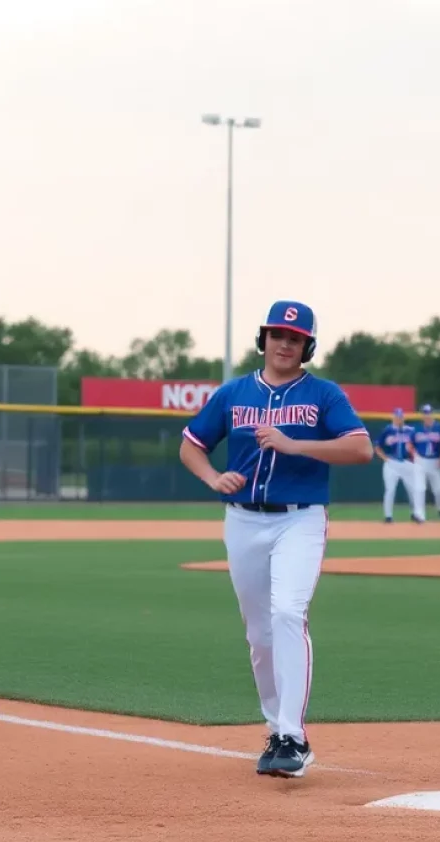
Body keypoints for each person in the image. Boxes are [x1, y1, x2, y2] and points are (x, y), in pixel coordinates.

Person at [178, 301, 373, 778]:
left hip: (299, 519)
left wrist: (296, 443)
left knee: (288, 612)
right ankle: (276, 729)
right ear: (263, 339)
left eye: (295, 337)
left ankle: (294, 735)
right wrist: (211, 477)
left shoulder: (324, 395)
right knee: (259, 633)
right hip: (242, 520)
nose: (285, 344)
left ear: (308, 346)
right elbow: (191, 445)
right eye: (277, 335)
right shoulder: (234, 393)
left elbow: (361, 448)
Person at [374, 408, 420, 524]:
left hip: (407, 463)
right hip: (392, 462)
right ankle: (388, 516)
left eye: (400, 417)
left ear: (403, 418)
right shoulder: (387, 430)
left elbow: (417, 446)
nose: (399, 419)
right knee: (390, 490)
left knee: (413, 490)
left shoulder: (411, 430)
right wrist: (385, 459)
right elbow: (377, 447)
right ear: (393, 418)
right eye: (397, 417)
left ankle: (415, 514)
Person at [410, 403, 440, 523]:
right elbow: (410, 444)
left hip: (434, 460)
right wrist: (414, 455)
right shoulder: (416, 428)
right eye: (425, 413)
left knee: (438, 490)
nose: (427, 415)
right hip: (421, 460)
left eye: (429, 413)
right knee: (420, 488)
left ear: (433, 414)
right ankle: (419, 515)